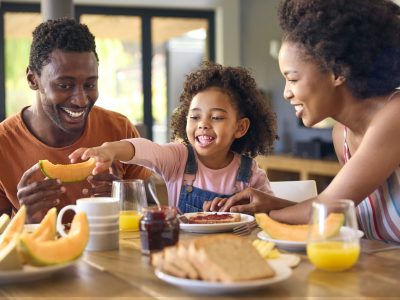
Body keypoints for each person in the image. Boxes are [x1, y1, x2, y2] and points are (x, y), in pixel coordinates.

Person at [208, 0, 400, 244]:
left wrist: (260, 214)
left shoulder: (396, 115)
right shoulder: (341, 135)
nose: (286, 93)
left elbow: (326, 209)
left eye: (293, 79)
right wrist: (272, 204)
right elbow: (336, 211)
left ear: (337, 72)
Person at [69, 62, 278, 213]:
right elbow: (146, 149)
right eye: (195, 116)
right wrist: (110, 150)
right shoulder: (178, 158)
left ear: (240, 127)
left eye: (216, 117)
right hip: (184, 256)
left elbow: (271, 214)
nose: (203, 124)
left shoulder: (249, 173)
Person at [0, 18, 152, 223]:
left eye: (90, 84)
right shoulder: (3, 143)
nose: (81, 100)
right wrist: (26, 221)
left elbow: (154, 213)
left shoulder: (120, 130)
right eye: (64, 85)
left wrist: (125, 199)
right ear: (32, 79)